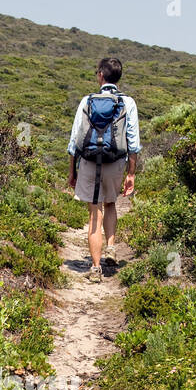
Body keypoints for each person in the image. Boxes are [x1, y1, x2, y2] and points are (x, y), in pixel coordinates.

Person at [67, 56, 141, 283]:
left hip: (89, 162)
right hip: (116, 162)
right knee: (110, 203)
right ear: (118, 78)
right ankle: (110, 247)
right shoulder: (127, 103)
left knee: (94, 212)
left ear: (100, 75)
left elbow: (74, 141)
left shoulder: (86, 101)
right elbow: (133, 142)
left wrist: (72, 171)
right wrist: (131, 173)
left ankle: (96, 268)